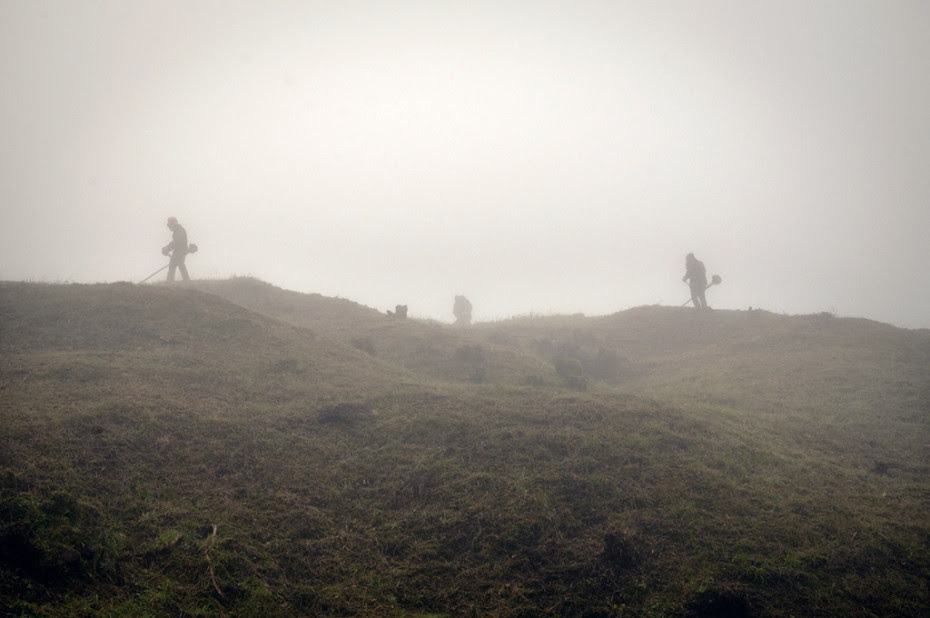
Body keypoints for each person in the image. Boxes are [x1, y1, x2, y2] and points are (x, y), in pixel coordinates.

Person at [162, 216, 190, 282]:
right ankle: (172, 281)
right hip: (179, 251)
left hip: (180, 251)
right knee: (176, 265)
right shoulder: (177, 231)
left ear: (174, 223)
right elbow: (175, 242)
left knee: (176, 265)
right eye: (168, 225)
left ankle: (171, 282)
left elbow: (177, 242)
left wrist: (167, 248)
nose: (169, 227)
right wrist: (167, 248)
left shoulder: (180, 230)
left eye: (170, 225)